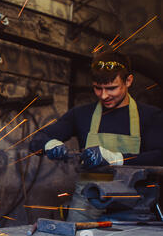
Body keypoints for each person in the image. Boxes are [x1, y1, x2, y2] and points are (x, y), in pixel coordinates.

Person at [29, 50, 163, 222]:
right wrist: (49, 144)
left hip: (133, 205)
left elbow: (159, 156)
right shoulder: (81, 114)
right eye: (97, 88)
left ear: (128, 81)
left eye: (111, 88)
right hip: (87, 202)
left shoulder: (150, 116)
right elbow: (37, 139)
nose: (104, 95)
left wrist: (115, 158)